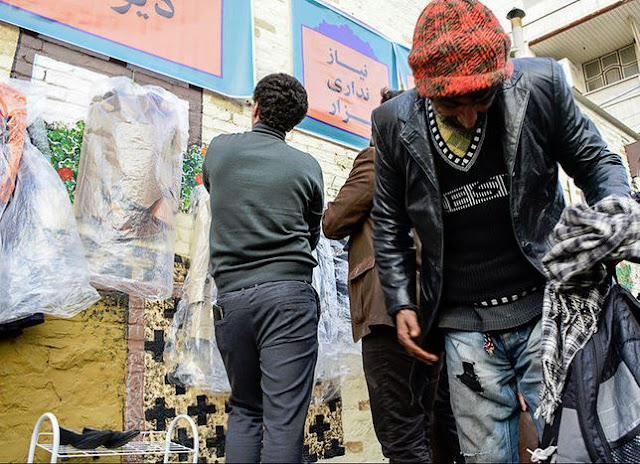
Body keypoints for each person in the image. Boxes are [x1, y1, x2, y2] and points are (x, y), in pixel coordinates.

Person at [370, 1, 631, 462]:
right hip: (464, 326)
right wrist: (401, 300)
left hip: (550, 310)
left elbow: (598, 162)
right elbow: (389, 223)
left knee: (575, 449)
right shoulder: (393, 124)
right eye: (453, 104)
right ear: (424, 88)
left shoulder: (542, 84)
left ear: (503, 73)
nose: (470, 117)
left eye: (483, 99)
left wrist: (616, 214)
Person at [323, 88, 461, 464]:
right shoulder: (442, 166)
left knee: (400, 434)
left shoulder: (376, 158)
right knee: (431, 424)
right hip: (436, 308)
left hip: (389, 311)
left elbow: (334, 222)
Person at [202, 73, 324, 463]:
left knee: (245, 410)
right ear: (294, 122)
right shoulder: (307, 166)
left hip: (231, 302)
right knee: (283, 419)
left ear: (255, 107)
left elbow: (215, 190)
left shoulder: (219, 150)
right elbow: (312, 233)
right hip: (287, 300)